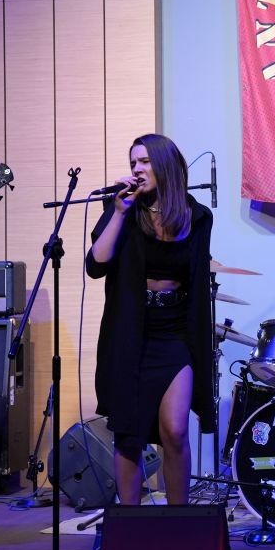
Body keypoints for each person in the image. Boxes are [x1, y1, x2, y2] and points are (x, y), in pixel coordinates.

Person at [86, 134, 213, 506]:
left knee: (175, 430)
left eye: (144, 161)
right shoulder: (123, 208)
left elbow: (197, 280)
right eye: (133, 163)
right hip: (130, 331)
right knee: (129, 435)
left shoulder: (198, 217)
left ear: (165, 165)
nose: (137, 169)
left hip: (174, 331)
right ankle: (129, 522)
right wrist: (119, 213)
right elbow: (96, 264)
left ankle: (178, 523)